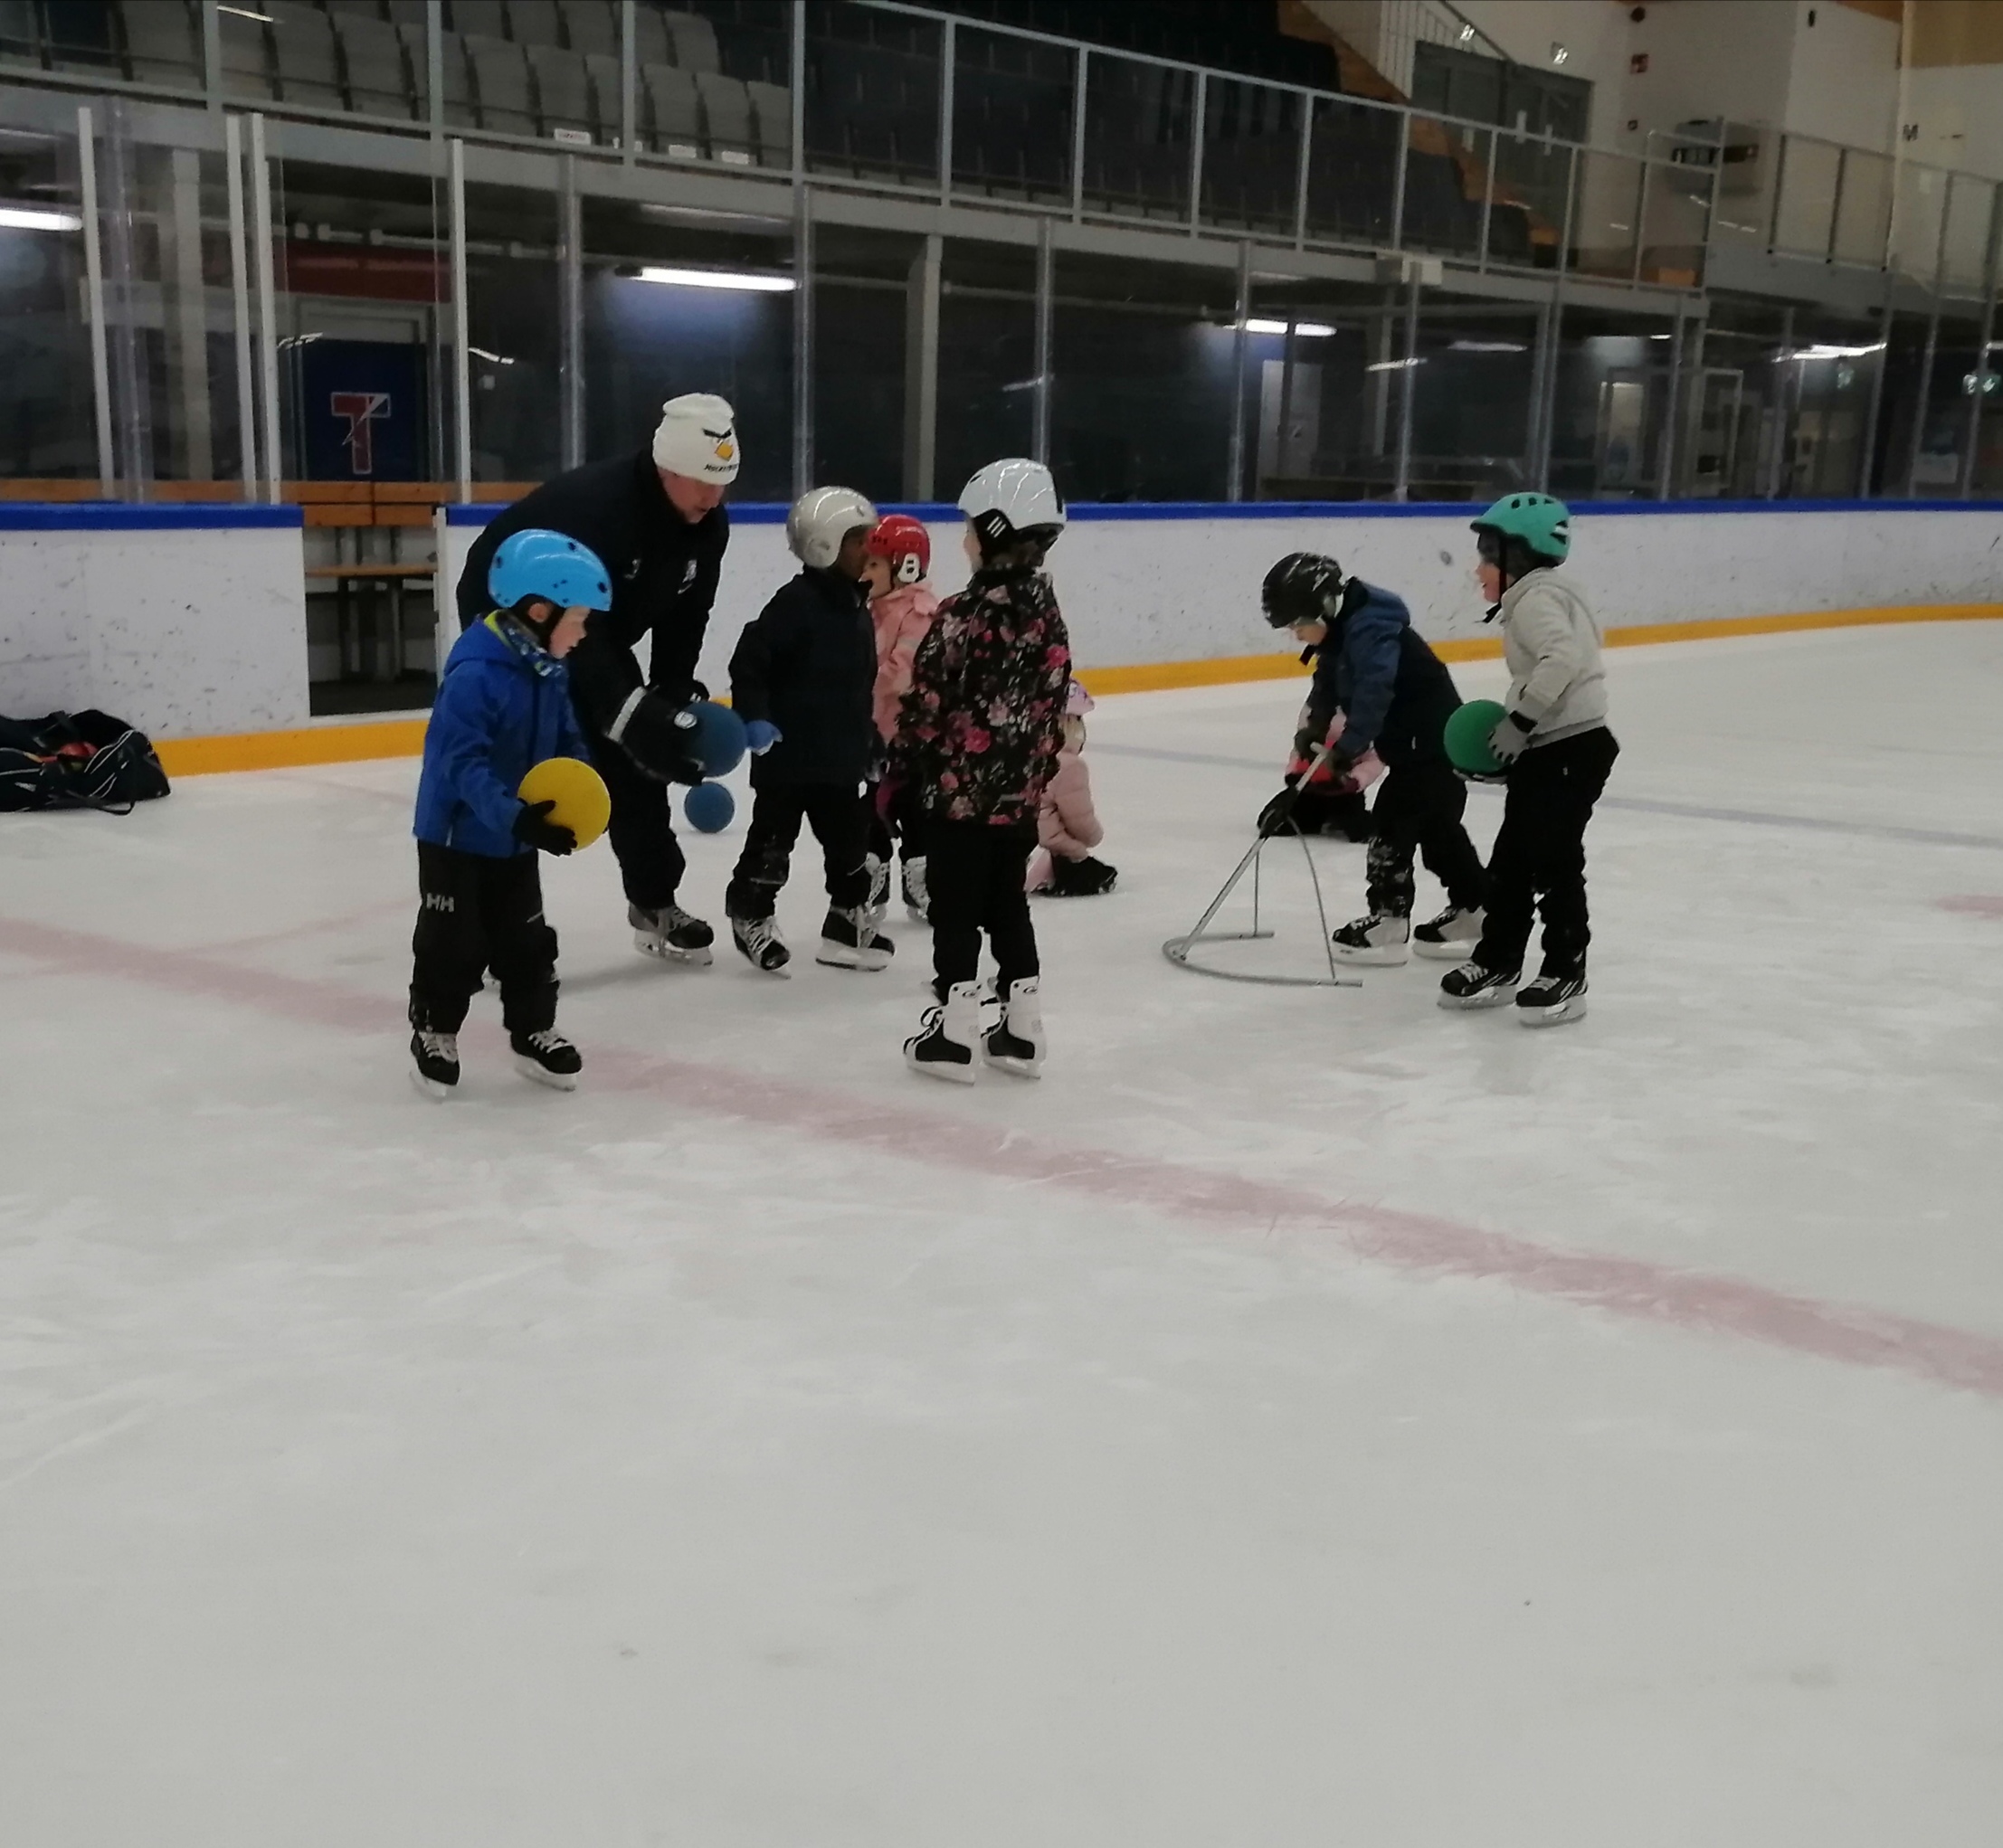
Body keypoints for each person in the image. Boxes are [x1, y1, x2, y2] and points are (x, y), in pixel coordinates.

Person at [457, 393, 736, 967]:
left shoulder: (708, 525)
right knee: (516, 770)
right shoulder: (600, 510)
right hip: (513, 619)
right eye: (703, 482)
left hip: (592, 629)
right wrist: (627, 709)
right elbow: (577, 628)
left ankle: (655, 902)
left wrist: (669, 693)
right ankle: (485, 925)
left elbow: (689, 611)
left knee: (637, 761)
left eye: (723, 483)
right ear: (666, 469)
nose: (714, 497)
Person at [409, 529, 609, 1099]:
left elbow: (567, 741)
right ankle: (434, 1028)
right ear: (539, 612)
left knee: (526, 940)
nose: (583, 632)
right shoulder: (476, 675)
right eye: (579, 619)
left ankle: (533, 1029)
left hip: (517, 836)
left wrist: (578, 790)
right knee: (453, 943)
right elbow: (461, 764)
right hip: (456, 838)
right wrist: (513, 816)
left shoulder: (549, 669)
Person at [897, 459, 1073, 1083]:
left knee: (955, 908)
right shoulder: (1048, 614)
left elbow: (925, 705)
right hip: (1019, 800)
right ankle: (1022, 1029)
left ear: (996, 530)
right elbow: (1054, 703)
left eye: (972, 526)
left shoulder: (962, 615)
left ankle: (954, 1032)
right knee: (1006, 903)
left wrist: (908, 761)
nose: (965, 538)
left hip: (958, 799)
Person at [1438, 493, 1616, 1027]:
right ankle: (1499, 960)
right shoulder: (1545, 595)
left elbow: (1562, 659)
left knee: (1554, 862)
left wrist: (1519, 722)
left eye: (1487, 556)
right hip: (1556, 746)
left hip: (1571, 746)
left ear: (1517, 555)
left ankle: (1565, 971)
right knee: (1513, 860)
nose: (1478, 569)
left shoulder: (1536, 599)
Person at [1259, 552, 1487, 966]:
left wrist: (1348, 748)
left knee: (1392, 827)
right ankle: (1476, 911)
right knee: (1439, 832)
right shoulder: (1341, 631)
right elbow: (1328, 681)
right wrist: (1316, 727)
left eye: (1297, 624)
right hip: (1416, 745)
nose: (1295, 635)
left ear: (1325, 607)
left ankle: (1389, 923)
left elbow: (1374, 690)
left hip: (1430, 744)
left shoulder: (1371, 630)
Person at [723, 486, 894, 976]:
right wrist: (755, 715)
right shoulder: (795, 604)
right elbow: (749, 662)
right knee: (772, 846)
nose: (868, 549)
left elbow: (855, 688)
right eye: (857, 541)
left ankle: (845, 923)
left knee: (851, 847)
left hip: (838, 762)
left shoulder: (856, 608)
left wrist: (868, 739)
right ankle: (751, 914)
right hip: (787, 760)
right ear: (823, 545)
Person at [860, 513, 940, 922]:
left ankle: (920, 881)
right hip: (874, 732)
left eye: (874, 563)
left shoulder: (919, 612)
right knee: (871, 811)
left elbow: (902, 671)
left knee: (914, 811)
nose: (865, 571)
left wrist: (856, 682)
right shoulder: (869, 609)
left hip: (912, 736)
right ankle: (872, 882)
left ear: (905, 566)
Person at [1027, 678, 1117, 896]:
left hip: (1011, 843)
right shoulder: (1068, 765)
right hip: (1043, 849)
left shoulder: (1027, 755)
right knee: (1097, 874)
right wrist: (1093, 838)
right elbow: (1081, 822)